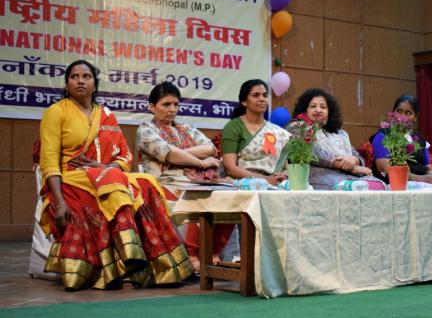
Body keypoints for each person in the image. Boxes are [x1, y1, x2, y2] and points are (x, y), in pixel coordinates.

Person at [39, 60, 192, 291]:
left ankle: (162, 266)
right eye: (75, 77)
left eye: (86, 76)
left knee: (147, 183)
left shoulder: (106, 114)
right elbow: (49, 160)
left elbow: (125, 155)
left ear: (95, 83)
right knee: (114, 185)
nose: (81, 81)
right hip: (71, 177)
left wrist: (103, 167)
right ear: (67, 82)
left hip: (105, 174)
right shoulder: (56, 112)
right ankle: (124, 262)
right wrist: (59, 202)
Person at [136, 81, 231, 272]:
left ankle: (214, 252)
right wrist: (200, 162)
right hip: (162, 184)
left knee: (228, 200)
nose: (172, 109)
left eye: (176, 105)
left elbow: (210, 148)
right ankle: (192, 255)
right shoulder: (145, 130)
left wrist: (179, 153)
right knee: (197, 199)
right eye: (166, 104)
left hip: (194, 181)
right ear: (152, 107)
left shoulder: (186, 129)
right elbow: (169, 154)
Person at [289, 88, 377, 190]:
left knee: (380, 186)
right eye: (313, 106)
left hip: (351, 177)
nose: (318, 110)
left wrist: (355, 160)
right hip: (321, 178)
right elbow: (314, 152)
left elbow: (357, 156)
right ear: (305, 110)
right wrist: (346, 165)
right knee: (362, 188)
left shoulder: (339, 133)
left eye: (323, 107)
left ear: (329, 112)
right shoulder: (298, 128)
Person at [221, 79, 290, 186]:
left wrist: (284, 174)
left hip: (276, 185)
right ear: (244, 101)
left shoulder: (279, 132)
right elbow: (230, 168)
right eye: (256, 95)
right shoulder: (233, 127)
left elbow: (287, 168)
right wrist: (265, 179)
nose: (262, 99)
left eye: (265, 95)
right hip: (244, 185)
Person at [370, 95, 432, 184]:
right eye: (399, 111)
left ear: (416, 117)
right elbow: (386, 168)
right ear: (393, 113)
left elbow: (429, 168)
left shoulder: (419, 139)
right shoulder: (382, 135)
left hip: (421, 186)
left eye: (408, 113)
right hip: (392, 186)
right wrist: (420, 179)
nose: (402, 117)